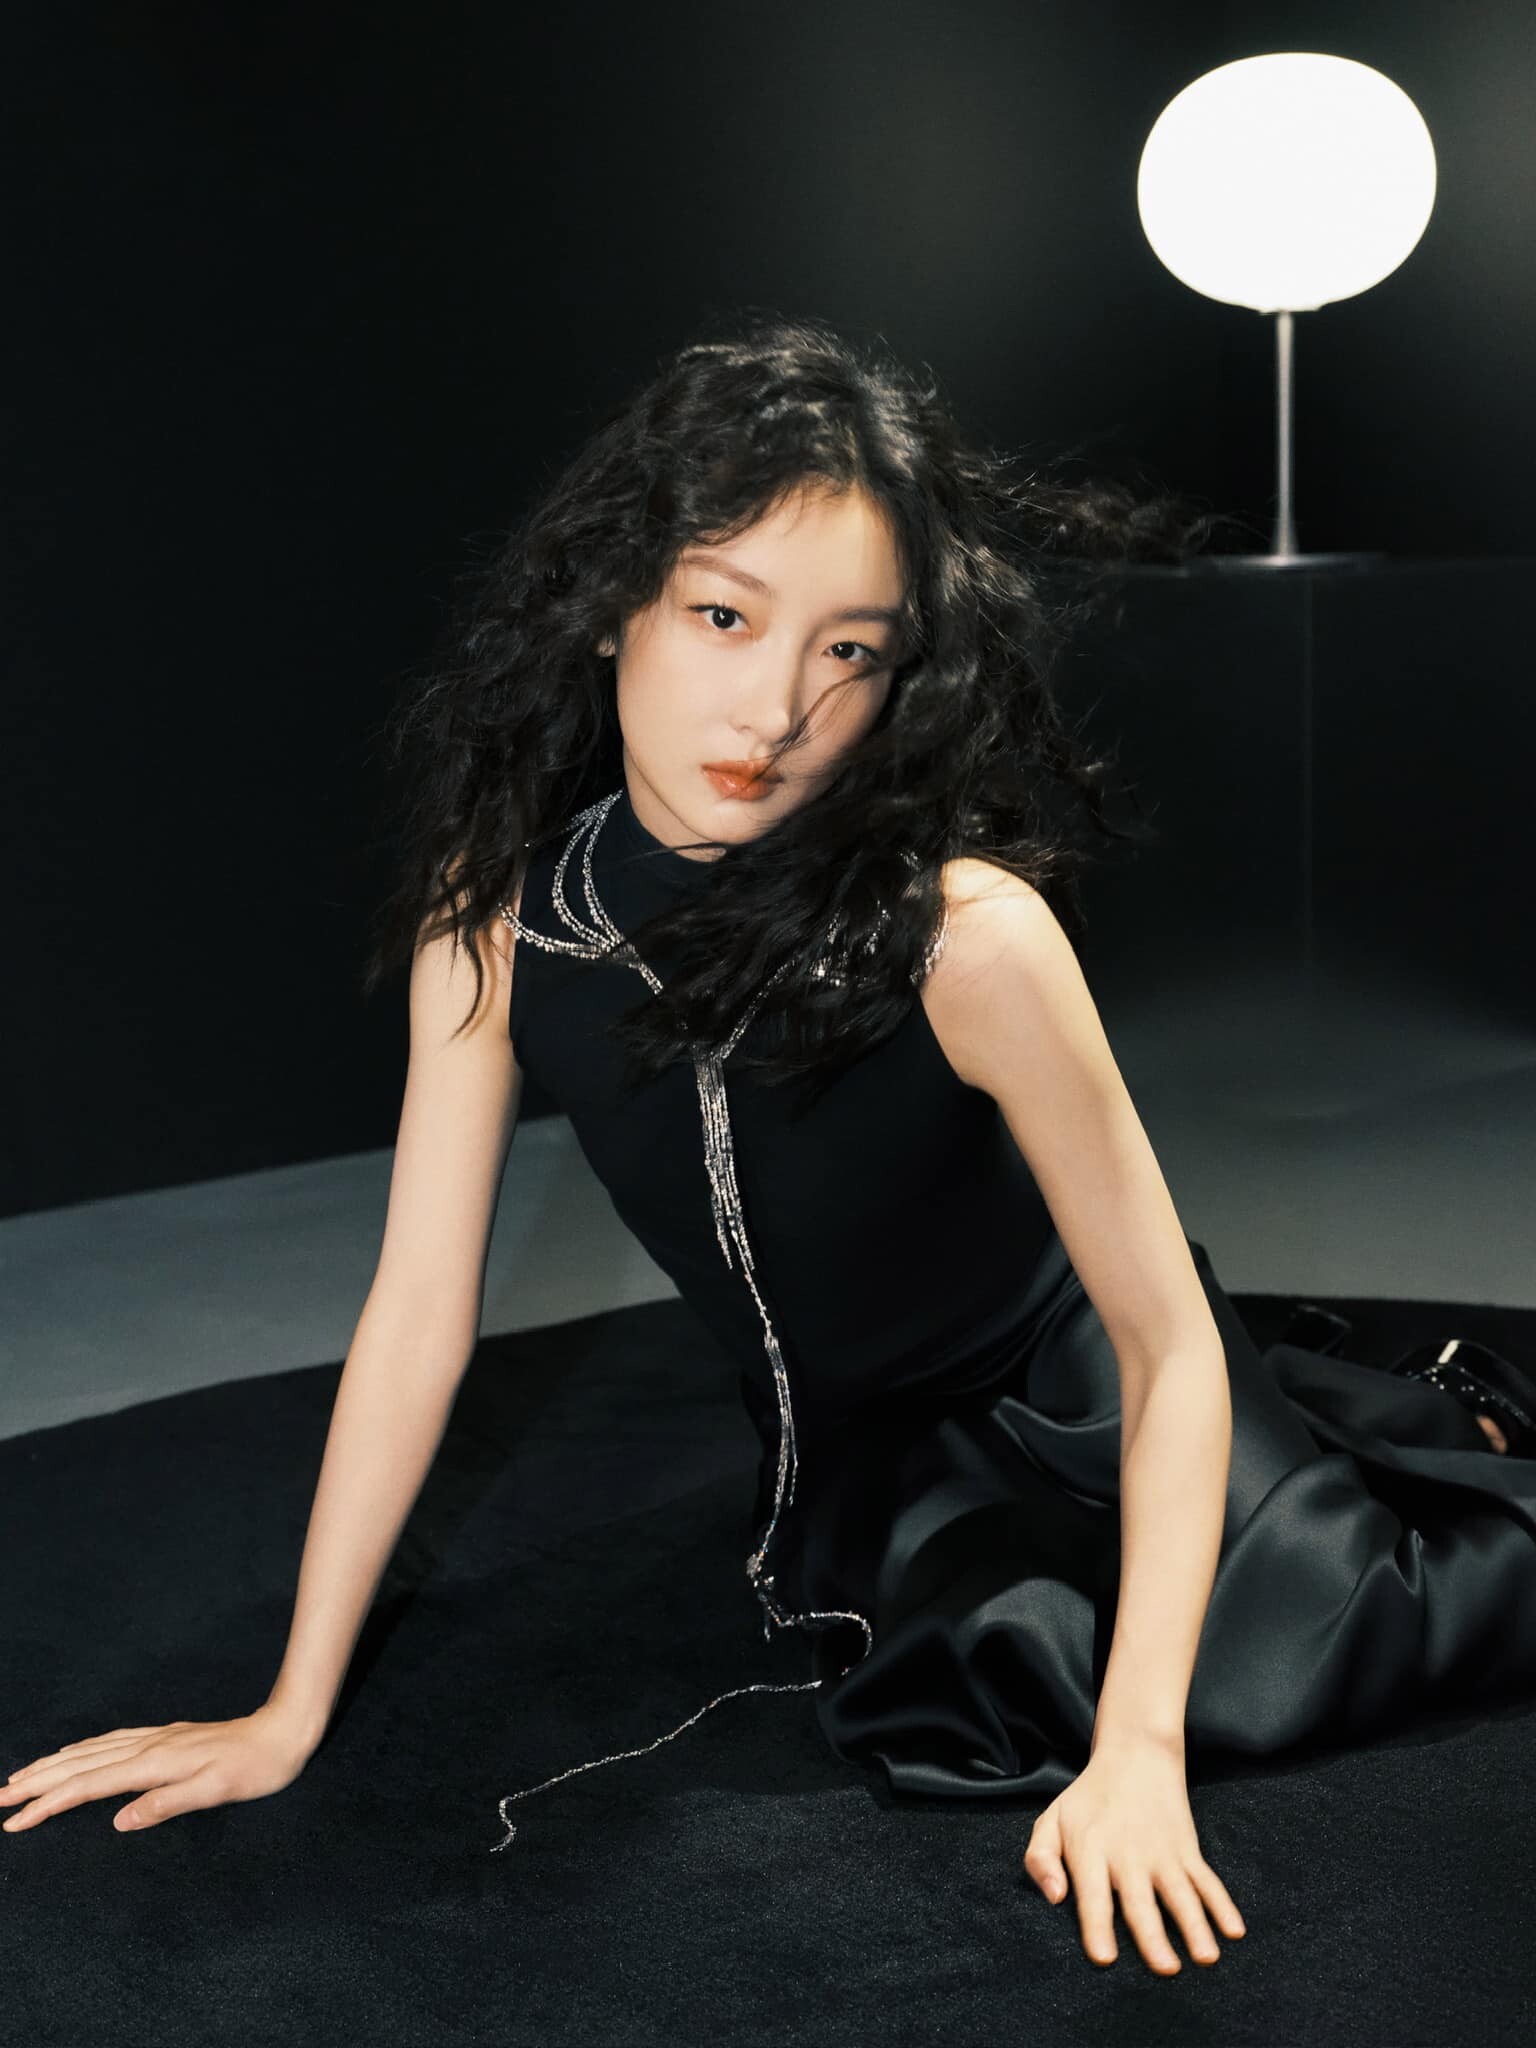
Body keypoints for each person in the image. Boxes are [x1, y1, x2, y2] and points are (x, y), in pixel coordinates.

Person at [5, 316, 1533, 1983]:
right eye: (724, 616)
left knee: (1265, 1652)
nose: (780, 707)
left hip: (1097, 1399)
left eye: (849, 651)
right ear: (615, 602)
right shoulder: (501, 921)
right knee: (955, 1690)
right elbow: (420, 1312)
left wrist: (1143, 1754)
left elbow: (1164, 1345)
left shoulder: (967, 935)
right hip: (861, 1458)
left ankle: (1402, 1473)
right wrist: (288, 1707)